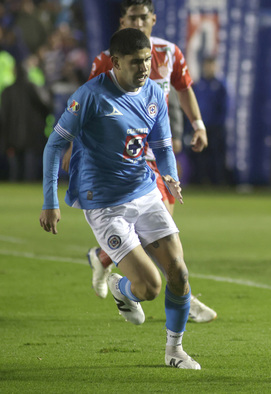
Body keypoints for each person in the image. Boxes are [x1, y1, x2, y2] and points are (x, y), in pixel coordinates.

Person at [40, 28, 201, 369]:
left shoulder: (154, 92)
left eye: (147, 60)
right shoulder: (90, 96)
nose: (144, 68)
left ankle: (175, 351)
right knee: (150, 287)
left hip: (144, 192)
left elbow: (162, 144)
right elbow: (54, 145)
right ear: (115, 63)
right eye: (135, 62)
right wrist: (50, 201)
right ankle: (122, 288)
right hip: (104, 204)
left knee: (180, 274)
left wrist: (169, 175)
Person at [63, 0, 216, 323]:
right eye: (132, 17)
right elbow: (88, 106)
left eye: (143, 17)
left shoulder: (170, 52)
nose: (138, 22)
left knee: (163, 233)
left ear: (153, 19)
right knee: (161, 237)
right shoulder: (108, 60)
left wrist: (198, 124)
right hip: (123, 160)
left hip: (158, 153)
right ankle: (174, 292)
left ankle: (106, 259)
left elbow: (183, 89)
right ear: (122, 21)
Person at [187, 56, 230, 184]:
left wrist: (218, 124)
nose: (208, 68)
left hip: (215, 128)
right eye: (207, 65)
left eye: (211, 65)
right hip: (200, 128)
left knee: (216, 156)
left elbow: (225, 108)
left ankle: (217, 182)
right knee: (199, 157)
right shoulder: (199, 84)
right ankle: (200, 182)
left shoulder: (221, 85)